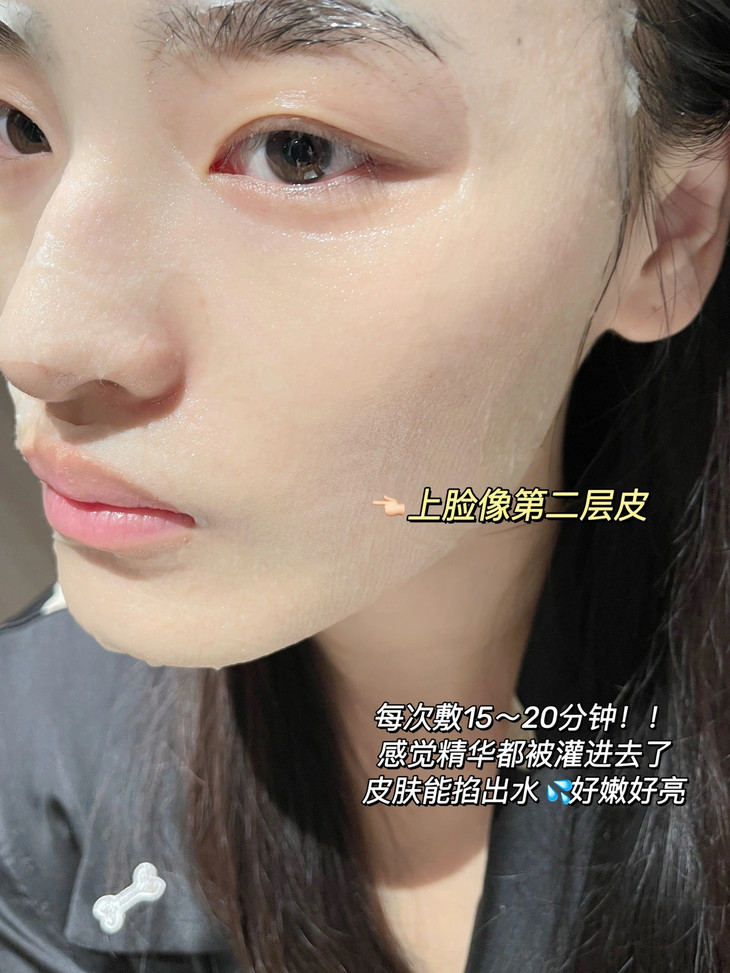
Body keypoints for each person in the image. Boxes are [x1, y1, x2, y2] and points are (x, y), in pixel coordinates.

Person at [0, 0, 728, 970]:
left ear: (666, 233)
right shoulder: (32, 773)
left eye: (298, 152)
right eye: (19, 126)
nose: (39, 341)